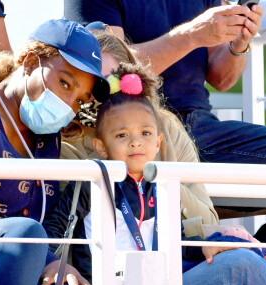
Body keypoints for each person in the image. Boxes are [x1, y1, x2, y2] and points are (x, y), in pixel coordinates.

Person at [64, 0, 266, 262]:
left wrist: (238, 43)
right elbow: (111, 68)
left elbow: (222, 79)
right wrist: (190, 35)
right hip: (137, 128)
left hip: (200, 125)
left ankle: (257, 259)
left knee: (246, 264)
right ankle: (245, 263)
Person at [44, 64, 266, 285]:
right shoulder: (90, 183)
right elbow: (55, 229)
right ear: (101, 147)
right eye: (122, 135)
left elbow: (176, 242)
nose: (135, 142)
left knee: (243, 260)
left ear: (158, 141)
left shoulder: (163, 185)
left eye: (145, 133)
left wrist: (205, 246)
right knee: (241, 267)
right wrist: (55, 262)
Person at [0, 18, 109, 285]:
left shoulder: (48, 138)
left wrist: (55, 261)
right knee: (26, 232)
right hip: (0, 255)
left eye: (80, 100)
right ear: (29, 62)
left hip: (25, 271)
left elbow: (47, 220)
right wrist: (35, 249)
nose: (68, 105)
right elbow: (26, 233)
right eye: (65, 83)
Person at [60, 30, 218, 240]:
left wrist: (161, 182)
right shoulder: (67, 145)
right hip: (102, 270)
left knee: (245, 261)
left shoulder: (167, 129)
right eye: (94, 85)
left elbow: (208, 224)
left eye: (110, 83)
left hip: (179, 265)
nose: (103, 96)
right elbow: (68, 237)